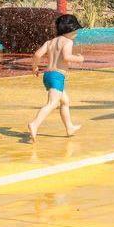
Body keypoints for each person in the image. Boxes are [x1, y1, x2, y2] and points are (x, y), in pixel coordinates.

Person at [27, 13, 85, 141]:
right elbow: (66, 57)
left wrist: (35, 67)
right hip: (57, 76)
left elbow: (37, 55)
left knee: (65, 101)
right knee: (52, 103)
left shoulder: (49, 42)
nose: (77, 33)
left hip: (47, 75)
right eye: (76, 30)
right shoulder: (68, 42)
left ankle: (69, 127)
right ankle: (34, 124)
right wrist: (79, 59)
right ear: (70, 29)